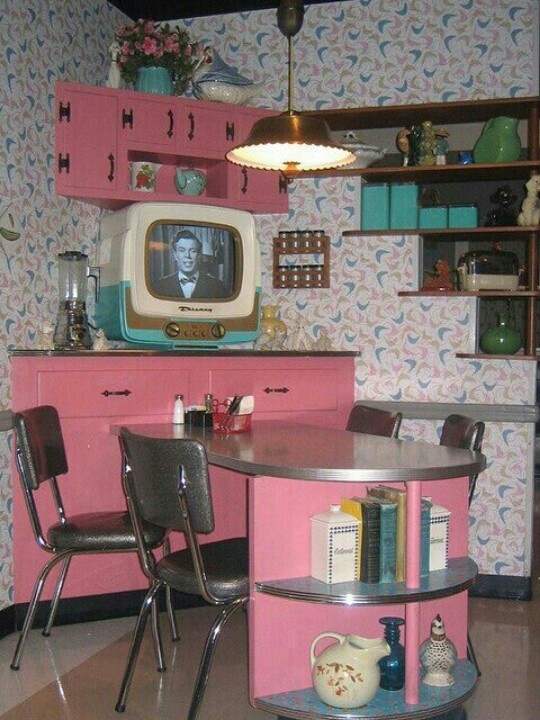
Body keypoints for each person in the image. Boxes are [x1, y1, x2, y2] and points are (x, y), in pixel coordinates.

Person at [154, 230, 227, 298]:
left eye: (192, 250)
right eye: (182, 250)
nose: (187, 255)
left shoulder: (217, 287)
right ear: (175, 255)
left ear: (198, 255)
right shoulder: (161, 286)